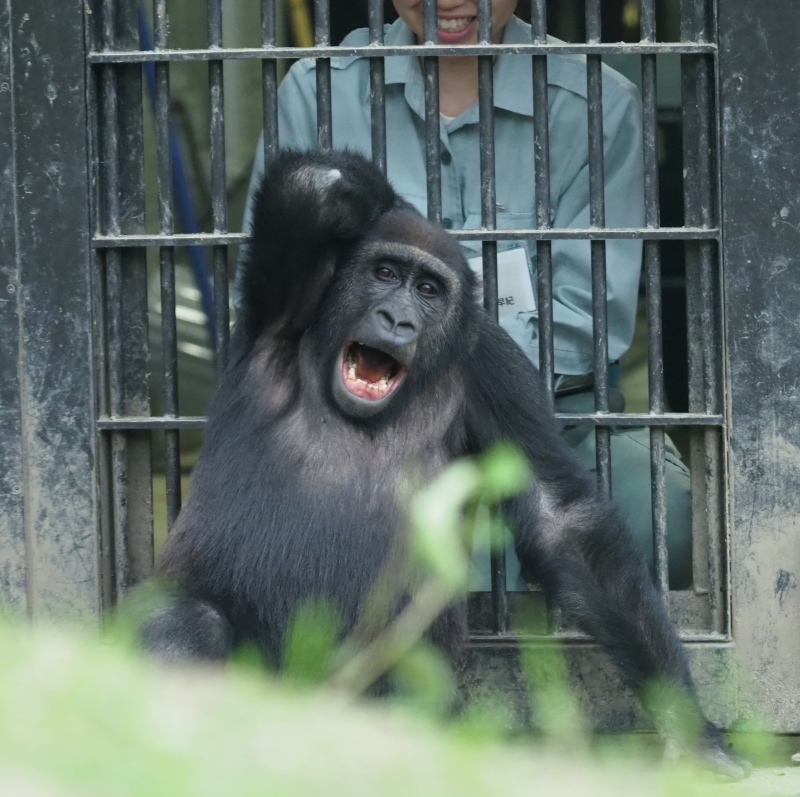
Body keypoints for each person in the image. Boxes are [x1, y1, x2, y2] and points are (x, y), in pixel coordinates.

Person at [237, 0, 693, 590]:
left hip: (550, 418)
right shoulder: (317, 93)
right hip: (361, 424)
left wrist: (462, 396)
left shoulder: (597, 106)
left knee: (664, 515)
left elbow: (584, 319)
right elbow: (278, 294)